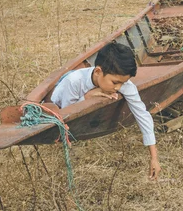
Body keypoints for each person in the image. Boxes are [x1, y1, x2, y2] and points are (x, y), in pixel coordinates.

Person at [50, 42, 161, 180]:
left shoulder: (123, 85)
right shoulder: (73, 82)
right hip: (58, 103)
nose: (118, 87)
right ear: (98, 72)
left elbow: (142, 115)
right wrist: (87, 97)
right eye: (115, 82)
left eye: (122, 83)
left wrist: (154, 158)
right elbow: (66, 115)